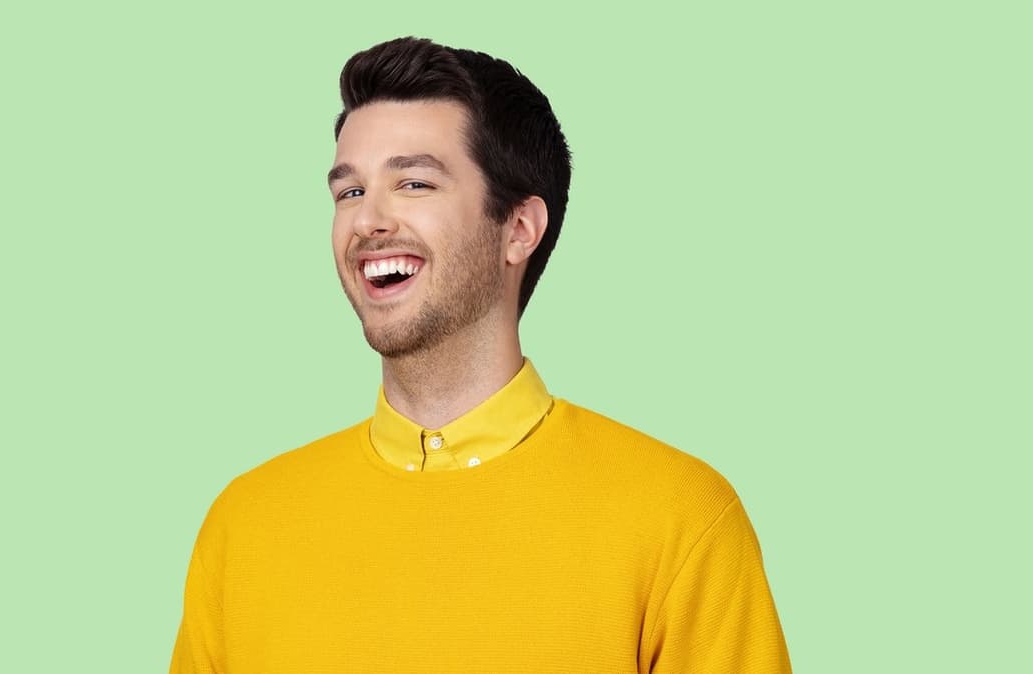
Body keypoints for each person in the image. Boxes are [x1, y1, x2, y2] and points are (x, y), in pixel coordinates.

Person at [169, 36, 791, 673]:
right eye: (349, 192)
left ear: (518, 229)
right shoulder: (244, 527)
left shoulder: (680, 519)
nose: (367, 221)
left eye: (414, 183)